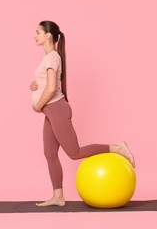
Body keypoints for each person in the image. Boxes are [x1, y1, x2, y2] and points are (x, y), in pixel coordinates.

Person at [30, 20, 135, 207]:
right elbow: (47, 83)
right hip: (51, 111)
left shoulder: (52, 57)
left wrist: (38, 105)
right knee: (50, 154)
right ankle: (58, 196)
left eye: (37, 32)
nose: (34, 36)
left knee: (74, 152)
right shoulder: (48, 59)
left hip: (56, 109)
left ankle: (117, 147)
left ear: (48, 36)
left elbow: (52, 88)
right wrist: (34, 85)